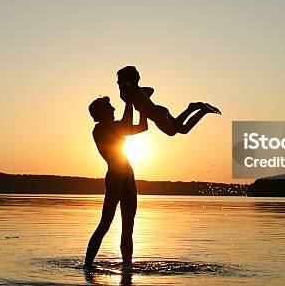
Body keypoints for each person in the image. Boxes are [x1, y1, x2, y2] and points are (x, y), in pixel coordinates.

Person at [84, 96, 147, 268]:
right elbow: (126, 122)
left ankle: (127, 267)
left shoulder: (115, 127)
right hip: (115, 178)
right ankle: (87, 266)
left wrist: (143, 107)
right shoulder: (101, 129)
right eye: (109, 107)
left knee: (128, 227)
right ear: (100, 113)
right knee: (105, 224)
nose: (113, 109)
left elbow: (142, 127)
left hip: (128, 177)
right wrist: (129, 100)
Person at [116, 66, 220, 137]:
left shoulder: (128, 89)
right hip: (160, 110)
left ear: (126, 79)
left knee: (177, 131)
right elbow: (151, 90)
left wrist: (124, 90)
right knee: (179, 126)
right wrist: (144, 99)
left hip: (156, 115)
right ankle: (192, 108)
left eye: (119, 79)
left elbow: (128, 91)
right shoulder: (139, 90)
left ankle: (200, 110)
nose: (117, 82)